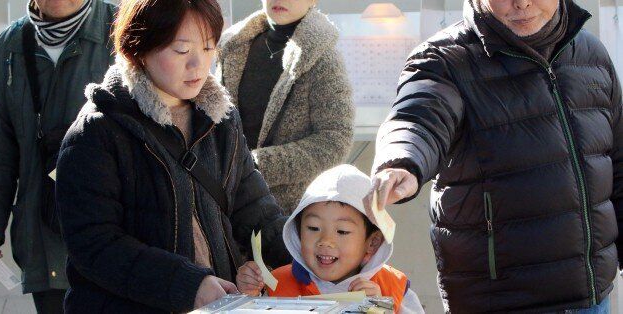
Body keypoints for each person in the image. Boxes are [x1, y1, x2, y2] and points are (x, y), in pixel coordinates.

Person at [366, 0, 621, 312]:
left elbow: (616, 162)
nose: (522, 3)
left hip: (592, 299)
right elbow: (417, 117)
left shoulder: (589, 52)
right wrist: (402, 160)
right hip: (499, 300)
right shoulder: (444, 59)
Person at [55, 0, 288, 312]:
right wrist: (187, 284)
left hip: (220, 305)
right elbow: (94, 244)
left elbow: (255, 212)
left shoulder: (220, 118)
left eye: (208, 48)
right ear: (138, 47)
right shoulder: (97, 131)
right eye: (181, 50)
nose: (198, 64)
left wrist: (314, 248)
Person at [0, 0, 115, 312]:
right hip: (44, 243)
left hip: (119, 241)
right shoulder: (7, 48)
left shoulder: (123, 29)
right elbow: (0, 152)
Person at [216, 0, 354, 213]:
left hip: (290, 211)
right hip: (227, 202)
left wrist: (254, 164)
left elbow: (335, 140)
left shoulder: (323, 58)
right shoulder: (233, 45)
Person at [236, 165, 424, 313]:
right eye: (313, 228)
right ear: (297, 232)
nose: (325, 240)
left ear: (372, 242)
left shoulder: (393, 287)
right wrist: (249, 298)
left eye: (342, 231)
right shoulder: (276, 284)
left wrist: (379, 309)